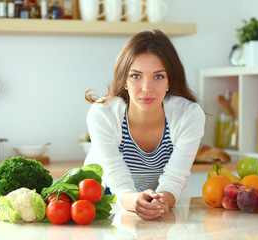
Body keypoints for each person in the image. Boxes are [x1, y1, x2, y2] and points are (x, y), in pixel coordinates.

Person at [84, 29, 205, 220]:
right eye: (135, 76)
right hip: (103, 201)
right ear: (124, 79)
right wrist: (135, 201)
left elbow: (175, 178)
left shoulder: (189, 115)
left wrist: (160, 201)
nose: (147, 88)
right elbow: (115, 179)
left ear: (169, 81)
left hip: (163, 203)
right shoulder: (103, 114)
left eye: (158, 76)